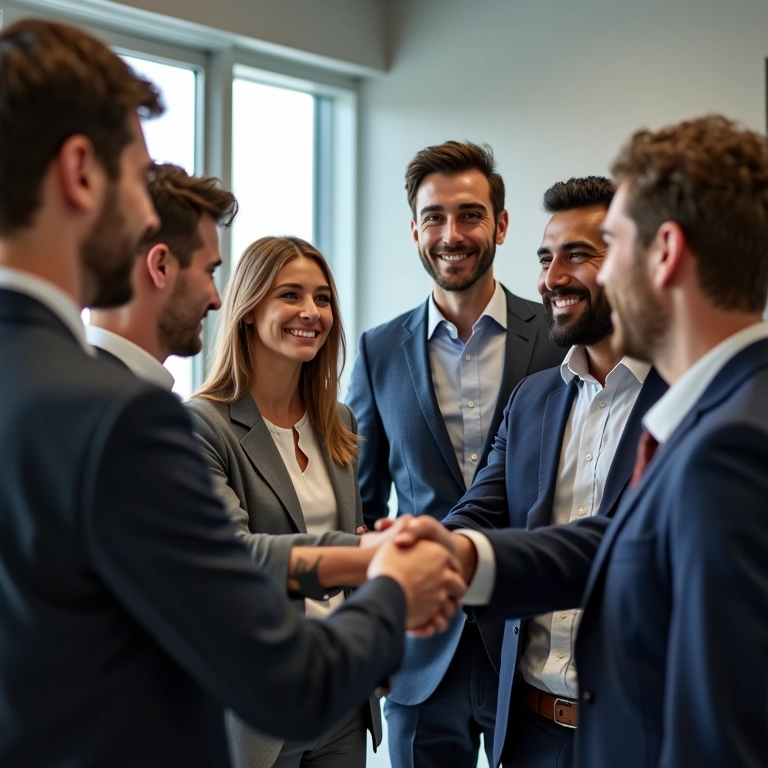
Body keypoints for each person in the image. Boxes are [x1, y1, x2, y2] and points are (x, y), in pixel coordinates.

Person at [0, 18, 465, 768]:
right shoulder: (123, 417)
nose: (148, 210)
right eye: (134, 175)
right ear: (82, 172)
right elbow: (286, 680)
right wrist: (391, 586)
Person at [403, 114, 768, 768]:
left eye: (609, 245)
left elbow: (728, 718)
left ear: (666, 253)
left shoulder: (733, 440)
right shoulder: (724, 405)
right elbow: (611, 539)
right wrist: (456, 555)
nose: (554, 282)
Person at [347, 140, 565, 768]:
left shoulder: (557, 340)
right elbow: (363, 507)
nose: (451, 234)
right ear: (414, 229)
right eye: (434, 217)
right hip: (418, 662)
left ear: (499, 224)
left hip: (532, 648)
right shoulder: (377, 351)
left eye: (469, 215)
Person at [439, 177, 666, 768]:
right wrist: (422, 549)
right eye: (545, 257)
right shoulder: (532, 398)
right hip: (529, 730)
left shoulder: (686, 399)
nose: (551, 279)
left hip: (641, 733)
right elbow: (480, 513)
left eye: (578, 256)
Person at [187, 236, 381, 768]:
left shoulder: (338, 421)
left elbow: (354, 543)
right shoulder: (203, 424)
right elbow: (236, 556)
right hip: (259, 702)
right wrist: (361, 554)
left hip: (341, 698)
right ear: (248, 310)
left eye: (322, 299)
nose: (311, 312)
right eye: (290, 295)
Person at [87, 163, 234, 388]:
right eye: (209, 272)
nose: (216, 301)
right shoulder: (136, 410)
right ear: (161, 266)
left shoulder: (52, 381)